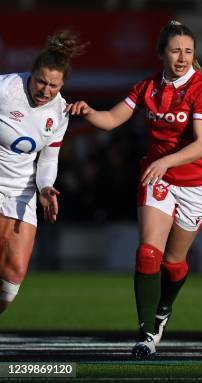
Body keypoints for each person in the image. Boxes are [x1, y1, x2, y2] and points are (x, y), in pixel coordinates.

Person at [67, 21, 202, 359]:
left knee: (174, 261)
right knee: (148, 253)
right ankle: (146, 334)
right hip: (158, 179)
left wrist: (167, 161)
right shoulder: (146, 87)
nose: (182, 58)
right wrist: (89, 112)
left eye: (188, 51)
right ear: (161, 53)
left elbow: (201, 145)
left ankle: (164, 308)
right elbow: (110, 119)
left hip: (196, 184)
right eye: (176, 50)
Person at [0, 31, 85, 315]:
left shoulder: (60, 111)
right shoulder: (6, 88)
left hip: (22, 192)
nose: (45, 90)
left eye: (53, 85)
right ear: (31, 73)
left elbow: (48, 159)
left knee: (15, 273)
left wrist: (46, 187)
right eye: (41, 81)